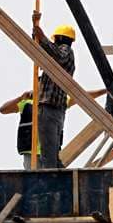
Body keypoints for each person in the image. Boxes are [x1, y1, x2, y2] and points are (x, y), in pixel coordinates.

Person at [0, 88, 106, 169]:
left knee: (50, 181)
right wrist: (20, 98)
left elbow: (82, 96)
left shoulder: (57, 102)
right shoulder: (27, 103)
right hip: (31, 152)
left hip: (49, 151)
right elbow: (3, 109)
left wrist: (105, 91)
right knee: (34, 181)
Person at [31, 12, 76, 168]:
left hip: (49, 108)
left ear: (60, 39)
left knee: (48, 155)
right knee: (52, 153)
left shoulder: (65, 51)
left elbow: (55, 52)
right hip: (56, 109)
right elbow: (39, 49)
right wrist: (36, 29)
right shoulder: (58, 60)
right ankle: (58, 175)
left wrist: (40, 33)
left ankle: (50, 186)